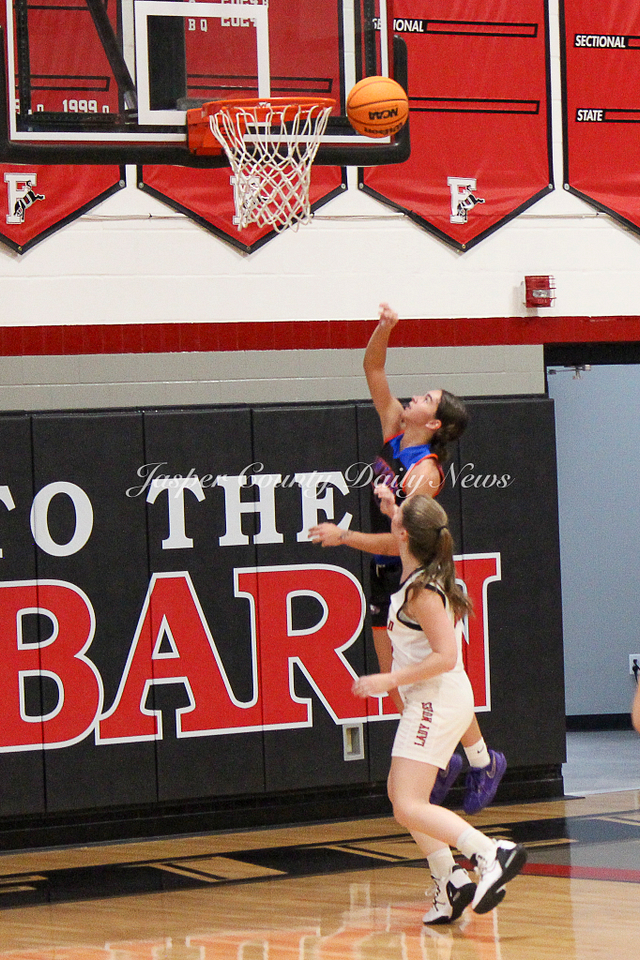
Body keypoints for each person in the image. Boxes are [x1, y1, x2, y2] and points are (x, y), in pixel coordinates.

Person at [310, 303, 506, 815]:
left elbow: (400, 540)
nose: (415, 397)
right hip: (385, 567)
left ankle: (481, 760)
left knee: (434, 673)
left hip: (412, 571)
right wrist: (385, 328)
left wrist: (345, 535)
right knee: (393, 674)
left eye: (427, 398)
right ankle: (443, 762)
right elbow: (373, 366)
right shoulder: (394, 427)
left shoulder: (426, 473)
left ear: (434, 422)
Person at [351, 494, 527, 923]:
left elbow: (446, 656)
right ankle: (450, 881)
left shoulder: (423, 592)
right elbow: (396, 537)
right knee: (401, 795)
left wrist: (388, 680)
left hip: (437, 700)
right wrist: (389, 513)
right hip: (438, 699)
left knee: (408, 803)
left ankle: (491, 854)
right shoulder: (419, 571)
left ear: (405, 536)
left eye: (397, 519)